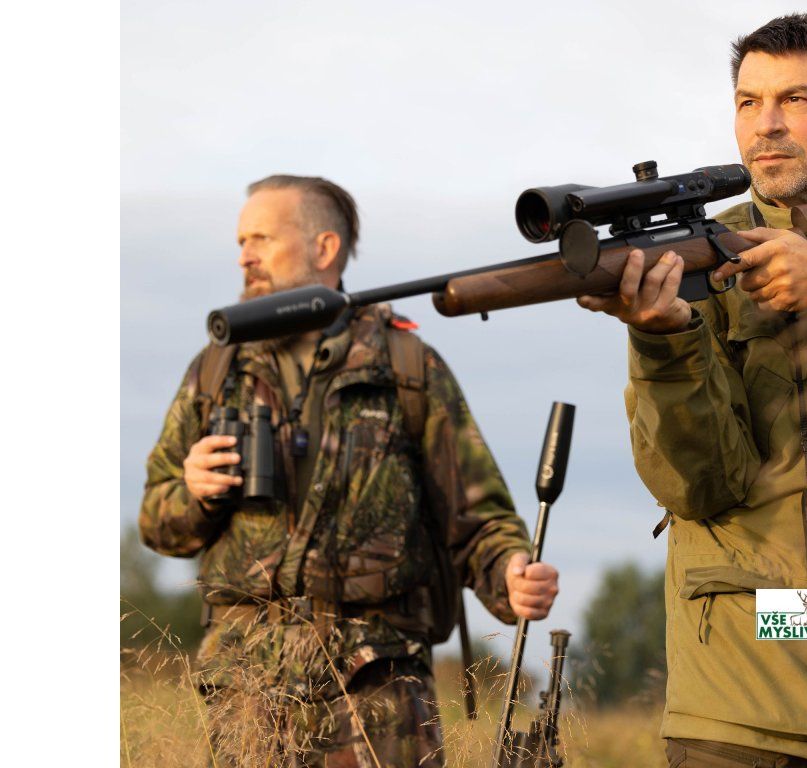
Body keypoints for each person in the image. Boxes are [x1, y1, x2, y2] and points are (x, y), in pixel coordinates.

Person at [139, 174, 560, 767]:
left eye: (261, 238)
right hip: (245, 696)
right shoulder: (215, 371)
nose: (244, 256)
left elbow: (478, 520)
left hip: (378, 696)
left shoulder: (407, 366)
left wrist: (511, 574)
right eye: (240, 242)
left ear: (325, 247)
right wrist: (193, 492)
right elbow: (155, 521)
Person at [578, 14, 807, 768]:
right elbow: (698, 485)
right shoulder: (700, 264)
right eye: (748, 102)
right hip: (746, 710)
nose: (766, 124)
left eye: (795, 99)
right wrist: (664, 340)